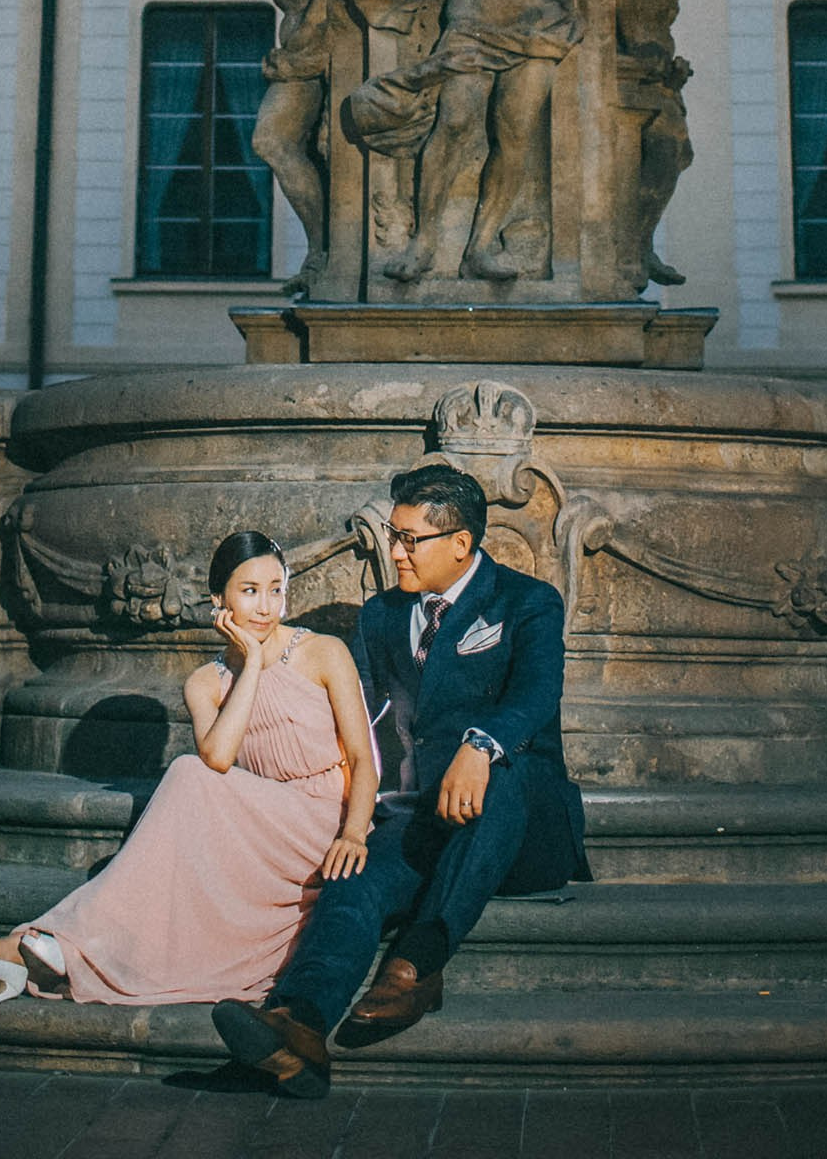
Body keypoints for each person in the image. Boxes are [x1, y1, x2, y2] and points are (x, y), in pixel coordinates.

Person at [212, 463, 589, 1102]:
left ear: (462, 545)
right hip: (420, 823)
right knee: (351, 875)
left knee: (503, 774)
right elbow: (345, 712)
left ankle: (415, 965)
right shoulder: (383, 615)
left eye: (411, 539)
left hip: (522, 827)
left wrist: (481, 745)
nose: (394, 551)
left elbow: (533, 697)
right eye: (394, 533)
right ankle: (297, 1026)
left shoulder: (526, 603)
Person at [0, 529, 377, 1018]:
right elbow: (220, 757)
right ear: (219, 600)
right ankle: (32, 951)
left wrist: (355, 833)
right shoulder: (205, 683)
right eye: (249, 590)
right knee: (189, 784)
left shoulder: (323, 653)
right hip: (260, 831)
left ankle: (27, 949)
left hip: (325, 823)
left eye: (275, 589)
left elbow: (363, 760)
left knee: (187, 775)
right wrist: (250, 663)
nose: (265, 605)